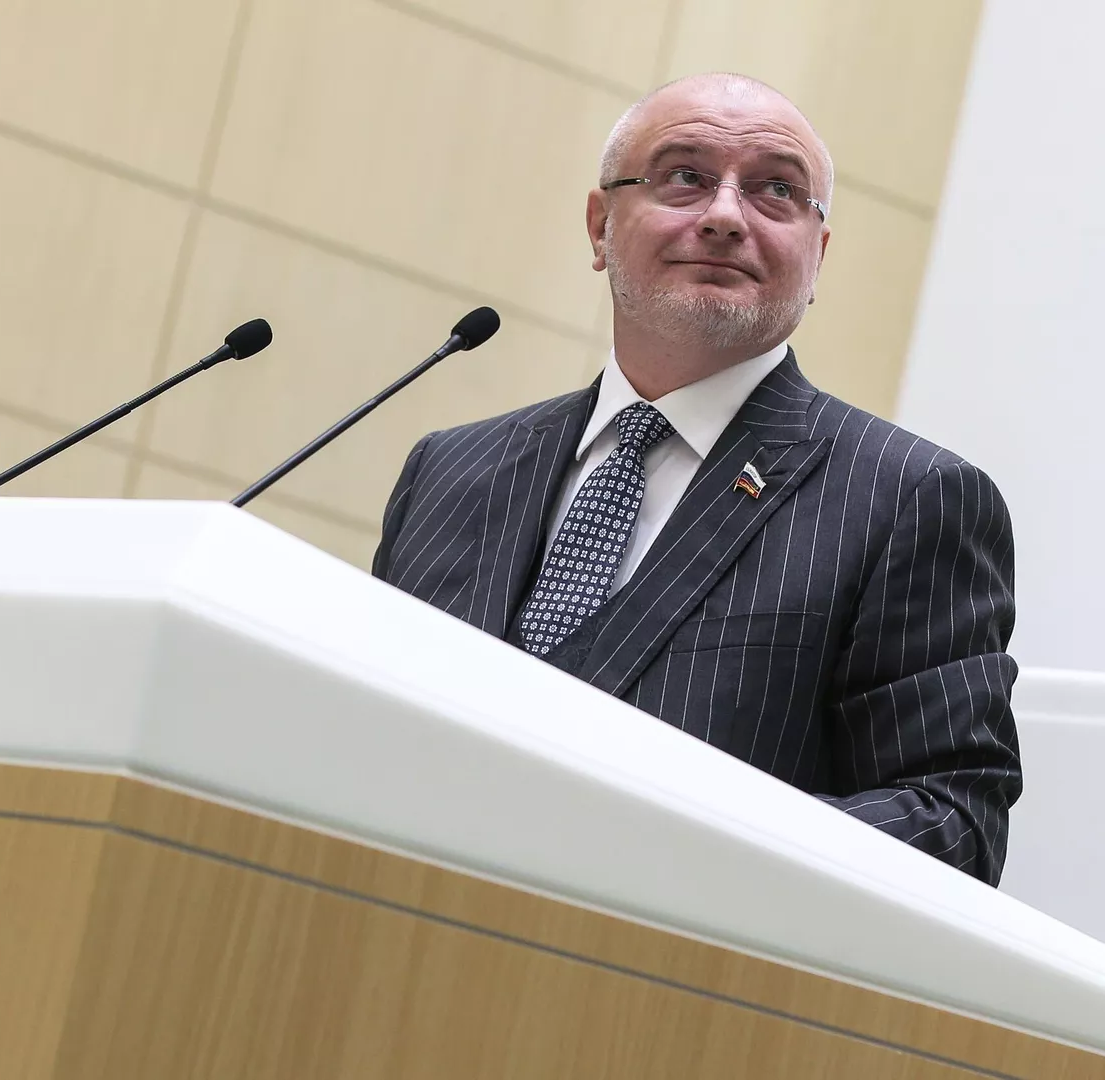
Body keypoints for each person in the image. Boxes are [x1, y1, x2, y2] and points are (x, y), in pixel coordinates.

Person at [371, 73, 1020, 885]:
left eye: (776, 191)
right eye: (684, 176)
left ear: (816, 258)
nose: (724, 216)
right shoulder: (450, 471)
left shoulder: (911, 498)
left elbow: (952, 823)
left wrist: (674, 850)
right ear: (601, 226)